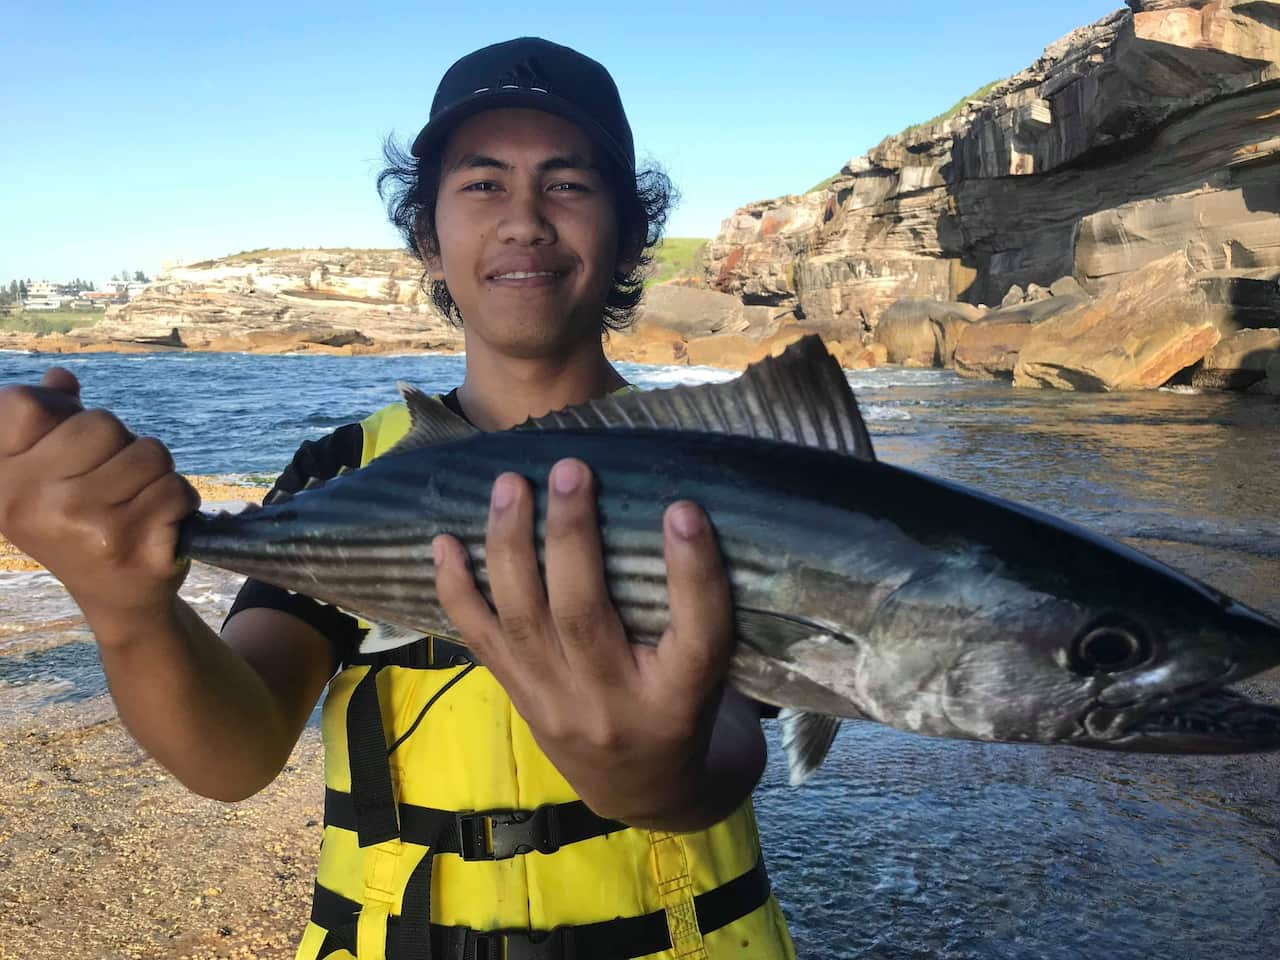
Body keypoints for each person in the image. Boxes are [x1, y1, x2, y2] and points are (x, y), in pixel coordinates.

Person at [0, 38, 796, 960]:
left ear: (626, 233)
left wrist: (656, 775)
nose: (525, 221)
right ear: (429, 239)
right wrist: (126, 609)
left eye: (568, 185)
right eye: (483, 185)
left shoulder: (721, 472)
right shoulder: (342, 468)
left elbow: (736, 746)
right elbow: (236, 750)